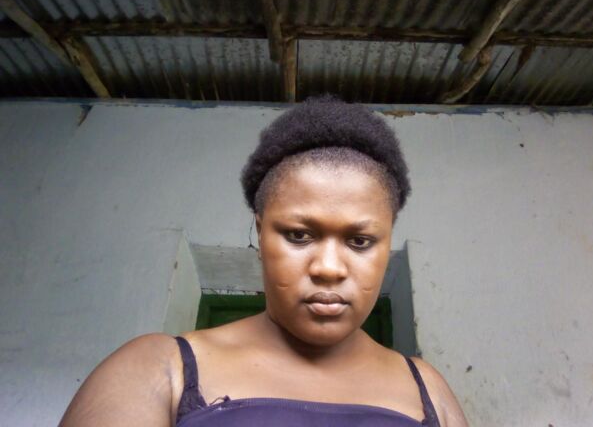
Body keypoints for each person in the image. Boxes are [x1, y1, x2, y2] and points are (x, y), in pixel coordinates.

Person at [60, 98, 468, 426]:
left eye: (360, 241)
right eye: (299, 235)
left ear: (387, 241)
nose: (329, 268)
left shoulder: (429, 389)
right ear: (260, 231)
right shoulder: (158, 368)